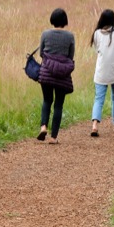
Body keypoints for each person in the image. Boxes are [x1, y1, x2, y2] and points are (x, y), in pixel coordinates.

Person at [37, 8, 75, 144]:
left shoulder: (45, 34)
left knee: (47, 100)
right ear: (65, 21)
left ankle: (43, 127)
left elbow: (41, 53)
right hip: (62, 75)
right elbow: (71, 56)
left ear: (52, 19)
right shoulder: (70, 36)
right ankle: (53, 137)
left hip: (46, 73)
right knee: (58, 105)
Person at [90, 9, 114, 137]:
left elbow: (98, 50)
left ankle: (95, 125)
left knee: (98, 98)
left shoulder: (96, 34)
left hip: (101, 72)